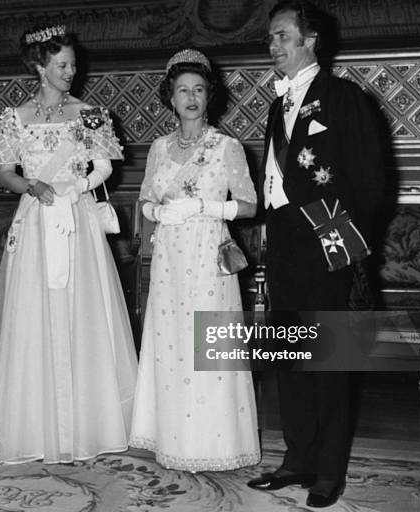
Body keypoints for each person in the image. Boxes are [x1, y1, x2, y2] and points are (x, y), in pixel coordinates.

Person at [0, 25, 138, 464]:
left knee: (81, 313)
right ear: (40, 67)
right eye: (62, 65)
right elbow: (4, 171)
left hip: (77, 219)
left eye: (73, 64)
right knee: (34, 315)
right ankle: (35, 425)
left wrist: (78, 184)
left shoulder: (89, 113)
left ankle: (86, 424)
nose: (71, 72)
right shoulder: (15, 117)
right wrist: (30, 184)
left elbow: (104, 167)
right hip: (36, 219)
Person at [247, 1, 385, 508]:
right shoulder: (274, 104)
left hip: (329, 237)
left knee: (328, 360)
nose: (273, 46)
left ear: (310, 40)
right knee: (289, 356)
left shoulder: (344, 97)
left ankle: (329, 471)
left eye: (282, 36)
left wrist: (347, 242)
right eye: (270, 38)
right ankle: (297, 459)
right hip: (283, 238)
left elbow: (371, 180)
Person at [129, 49, 261, 472]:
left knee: (207, 345)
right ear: (170, 98)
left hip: (208, 257)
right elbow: (146, 199)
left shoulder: (227, 147)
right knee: (172, 344)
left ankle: (215, 443)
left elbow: (249, 205)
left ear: (209, 97)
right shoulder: (159, 148)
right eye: (182, 90)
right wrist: (156, 213)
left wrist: (205, 207)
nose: (190, 98)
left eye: (199, 90)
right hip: (169, 258)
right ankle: (173, 438)